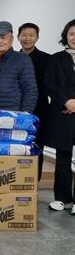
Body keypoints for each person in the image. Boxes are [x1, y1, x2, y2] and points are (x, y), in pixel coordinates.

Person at [44, 19, 75, 213]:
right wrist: (66, 101)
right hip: (63, 112)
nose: (74, 38)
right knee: (63, 157)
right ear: (66, 36)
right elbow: (49, 83)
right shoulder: (56, 59)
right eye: (71, 34)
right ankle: (63, 199)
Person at [18, 22, 51, 180]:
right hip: (16, 109)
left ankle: (33, 183)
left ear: (37, 38)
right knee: (16, 146)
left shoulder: (47, 59)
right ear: (18, 37)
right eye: (24, 35)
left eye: (31, 35)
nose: (27, 38)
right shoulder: (12, 58)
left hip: (39, 110)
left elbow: (52, 85)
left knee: (36, 147)